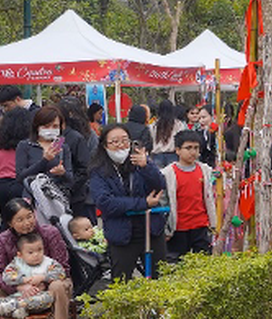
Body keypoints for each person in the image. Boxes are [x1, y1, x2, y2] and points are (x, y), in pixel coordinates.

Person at [0, 198, 75, 319]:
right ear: (10, 223)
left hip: (49, 285)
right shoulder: (4, 239)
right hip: (17, 288)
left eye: (29, 216)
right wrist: (19, 287)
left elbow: (63, 267)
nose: (27, 223)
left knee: (58, 285)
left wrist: (43, 280)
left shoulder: (50, 233)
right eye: (20, 220)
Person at [89, 125, 167, 283]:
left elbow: (159, 185)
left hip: (151, 228)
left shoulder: (140, 163)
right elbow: (105, 202)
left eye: (125, 141)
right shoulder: (98, 171)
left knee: (160, 279)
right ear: (104, 146)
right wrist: (143, 203)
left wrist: (147, 166)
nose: (121, 145)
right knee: (121, 282)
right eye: (114, 142)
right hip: (121, 233)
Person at [162, 129, 216, 260]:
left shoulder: (205, 171)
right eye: (188, 148)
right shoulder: (167, 174)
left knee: (203, 262)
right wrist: (166, 228)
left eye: (196, 148)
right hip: (178, 227)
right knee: (176, 262)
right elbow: (164, 201)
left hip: (200, 225)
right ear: (177, 150)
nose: (193, 152)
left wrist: (213, 222)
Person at [16, 105, 74, 221]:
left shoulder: (63, 147)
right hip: (33, 199)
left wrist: (62, 173)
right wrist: (44, 160)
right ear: (37, 126)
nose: (51, 129)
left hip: (56, 200)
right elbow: (21, 176)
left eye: (55, 126)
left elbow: (70, 179)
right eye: (46, 126)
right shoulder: (25, 146)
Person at [0, 102, 30, 217]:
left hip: (2, 185)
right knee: (24, 219)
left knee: (6, 219)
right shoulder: (29, 141)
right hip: (23, 184)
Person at [149, 99, 184, 168]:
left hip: (157, 155)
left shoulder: (153, 125)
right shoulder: (178, 125)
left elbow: (150, 140)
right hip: (173, 155)